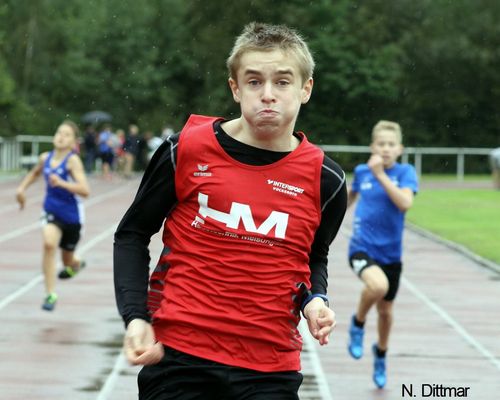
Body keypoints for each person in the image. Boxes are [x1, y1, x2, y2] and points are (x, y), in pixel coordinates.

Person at [114, 22, 347, 400]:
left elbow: (313, 257)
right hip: (180, 360)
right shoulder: (184, 150)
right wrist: (136, 316)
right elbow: (132, 234)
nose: (267, 95)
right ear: (235, 88)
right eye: (254, 82)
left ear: (306, 89)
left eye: (282, 82)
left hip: (270, 368)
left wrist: (316, 300)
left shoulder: (327, 180)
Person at [346, 120, 418, 389]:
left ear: (399, 149)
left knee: (386, 312)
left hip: (391, 255)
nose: (386, 149)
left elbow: (405, 203)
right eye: (381, 144)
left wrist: (381, 176)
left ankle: (380, 354)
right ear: (372, 147)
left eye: (391, 145)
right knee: (378, 286)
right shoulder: (362, 172)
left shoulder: (405, 172)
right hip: (362, 247)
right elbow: (349, 199)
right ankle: (357, 323)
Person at [16, 120, 90, 311]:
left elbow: (84, 190)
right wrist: (21, 189)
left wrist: (63, 183)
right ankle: (50, 294)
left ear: (74, 142)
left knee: (67, 260)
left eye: (67, 135)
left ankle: (76, 264)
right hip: (51, 211)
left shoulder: (73, 160)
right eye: (59, 132)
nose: (61, 137)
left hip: (72, 217)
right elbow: (34, 173)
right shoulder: (45, 157)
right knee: (49, 244)